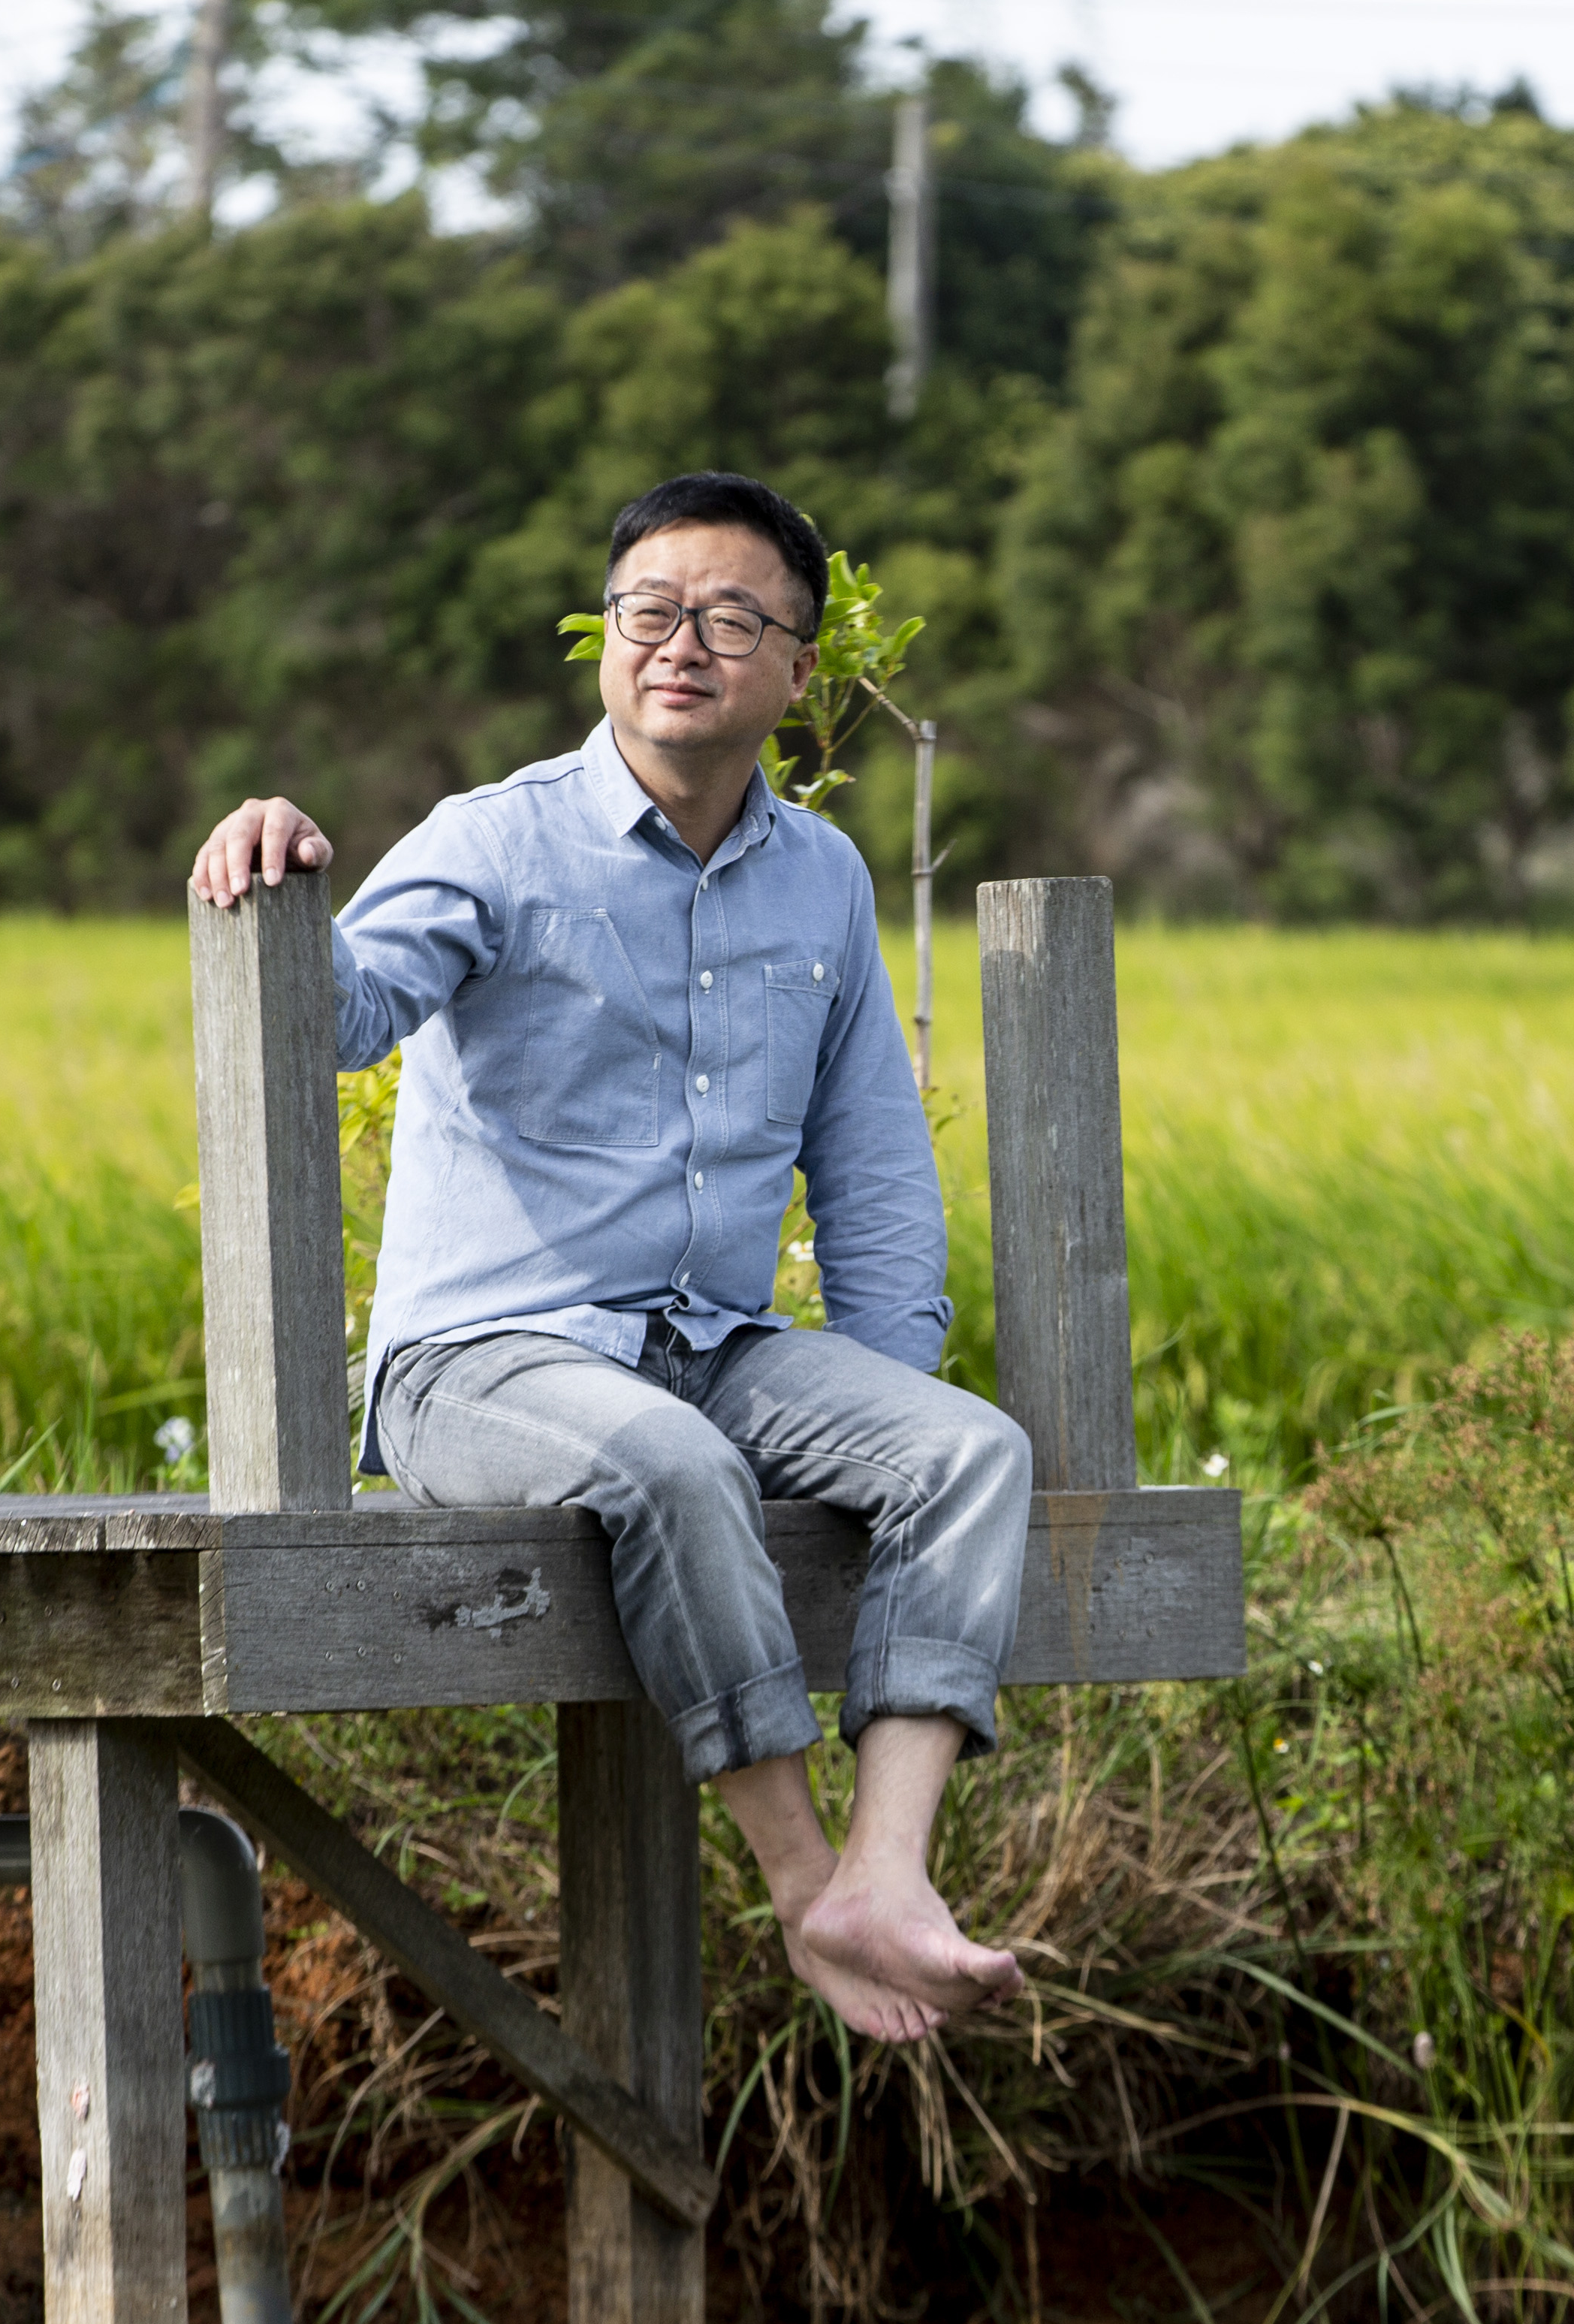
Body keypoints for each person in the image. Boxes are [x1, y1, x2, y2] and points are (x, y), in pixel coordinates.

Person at [188, 470, 1028, 2045]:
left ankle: (890, 1872)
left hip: (711, 1344)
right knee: (675, 1464)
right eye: (649, 610)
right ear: (608, 642)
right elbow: (347, 1011)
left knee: (971, 1454)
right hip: (480, 1364)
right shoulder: (493, 844)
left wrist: (874, 1406)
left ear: (796, 668)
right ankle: (802, 1887)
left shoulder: (823, 881)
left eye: (730, 617)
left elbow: (870, 1162)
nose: (680, 644)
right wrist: (280, 863)